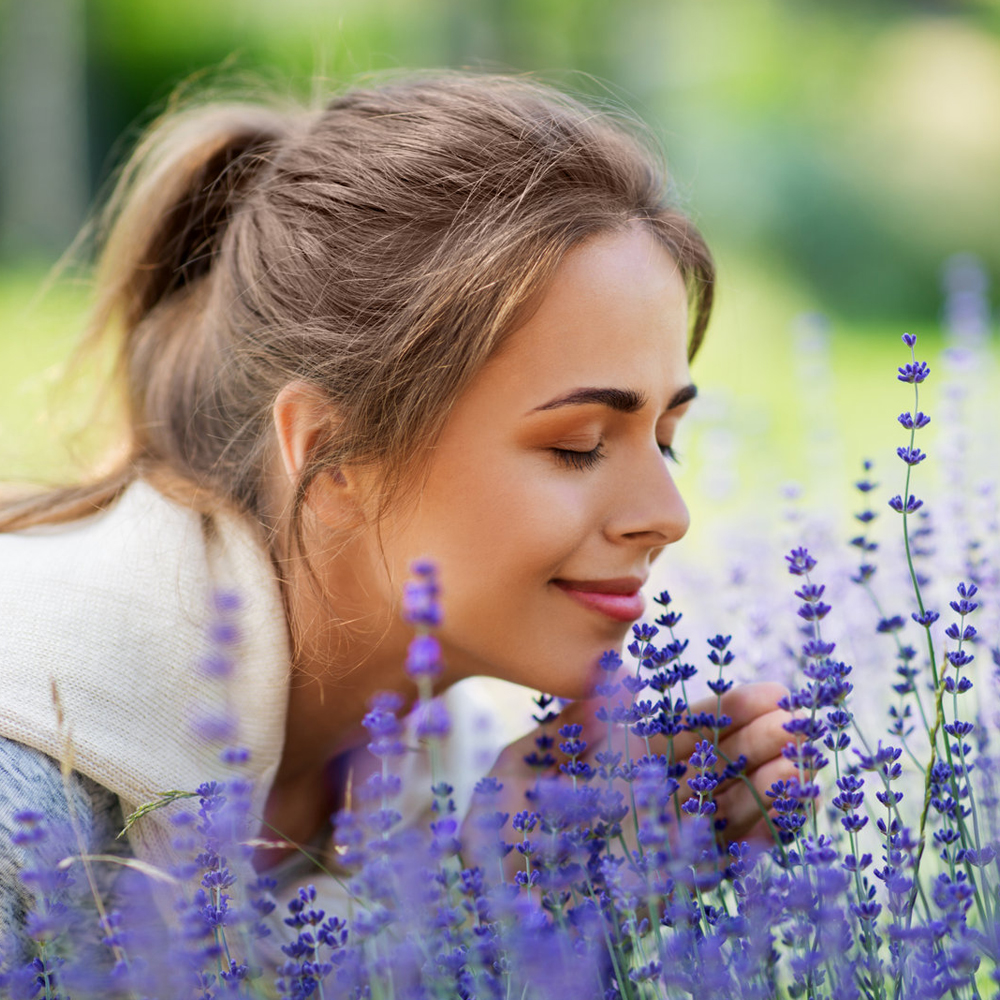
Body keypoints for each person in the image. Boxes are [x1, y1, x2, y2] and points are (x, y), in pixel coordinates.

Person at [0, 72, 794, 950]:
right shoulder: (29, 775)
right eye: (578, 443)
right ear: (333, 456)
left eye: (667, 437)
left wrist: (497, 896)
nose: (668, 514)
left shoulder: (427, 770)